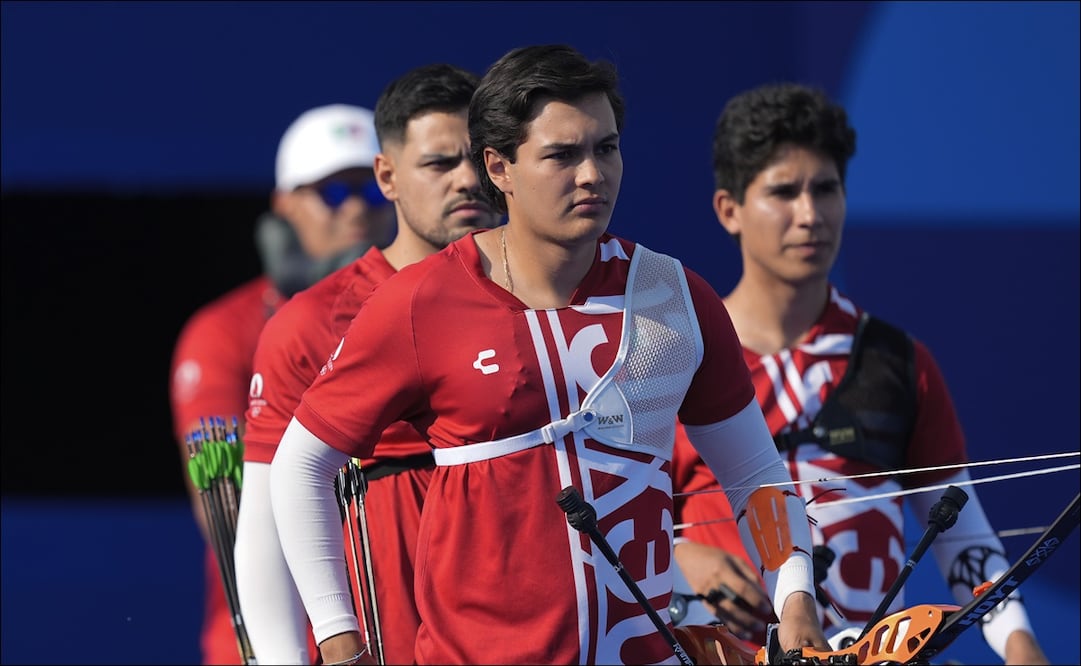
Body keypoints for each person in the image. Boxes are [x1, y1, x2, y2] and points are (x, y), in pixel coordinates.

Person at [267, 44, 829, 665]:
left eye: (606, 148)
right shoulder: (419, 302)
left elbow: (755, 477)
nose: (592, 174)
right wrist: (342, 645)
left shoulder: (678, 297)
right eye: (562, 155)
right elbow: (300, 466)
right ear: (499, 168)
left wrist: (796, 600)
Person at [669, 82, 1049, 664]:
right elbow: (614, 531)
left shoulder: (898, 362)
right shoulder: (679, 360)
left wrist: (1022, 647)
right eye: (783, 191)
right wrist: (679, 561)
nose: (810, 214)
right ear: (729, 210)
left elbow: (960, 535)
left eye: (826, 189)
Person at [233, 63, 500, 665]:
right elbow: (267, 522)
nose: (466, 182)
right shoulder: (308, 324)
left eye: (477, 160)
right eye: (438, 163)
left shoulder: (547, 305)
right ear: (389, 175)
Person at [169, 103, 395, 665]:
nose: (357, 212)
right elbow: (221, 503)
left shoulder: (422, 313)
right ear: (285, 204)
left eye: (370, 192)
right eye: (334, 194)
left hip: (392, 631)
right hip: (265, 644)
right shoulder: (222, 330)